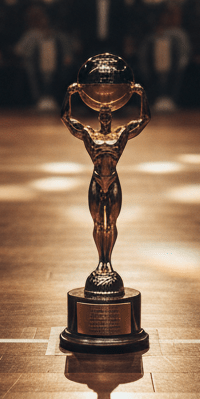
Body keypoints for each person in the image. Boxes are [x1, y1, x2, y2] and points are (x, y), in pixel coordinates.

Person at [62, 82, 150, 295]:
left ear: (112, 116)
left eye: (108, 114)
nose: (105, 117)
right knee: (97, 223)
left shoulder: (120, 134)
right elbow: (66, 119)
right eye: (102, 114)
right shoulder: (89, 134)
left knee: (111, 223)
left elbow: (144, 119)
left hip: (112, 181)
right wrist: (70, 93)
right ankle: (101, 262)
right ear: (97, 116)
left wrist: (141, 94)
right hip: (95, 180)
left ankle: (107, 263)